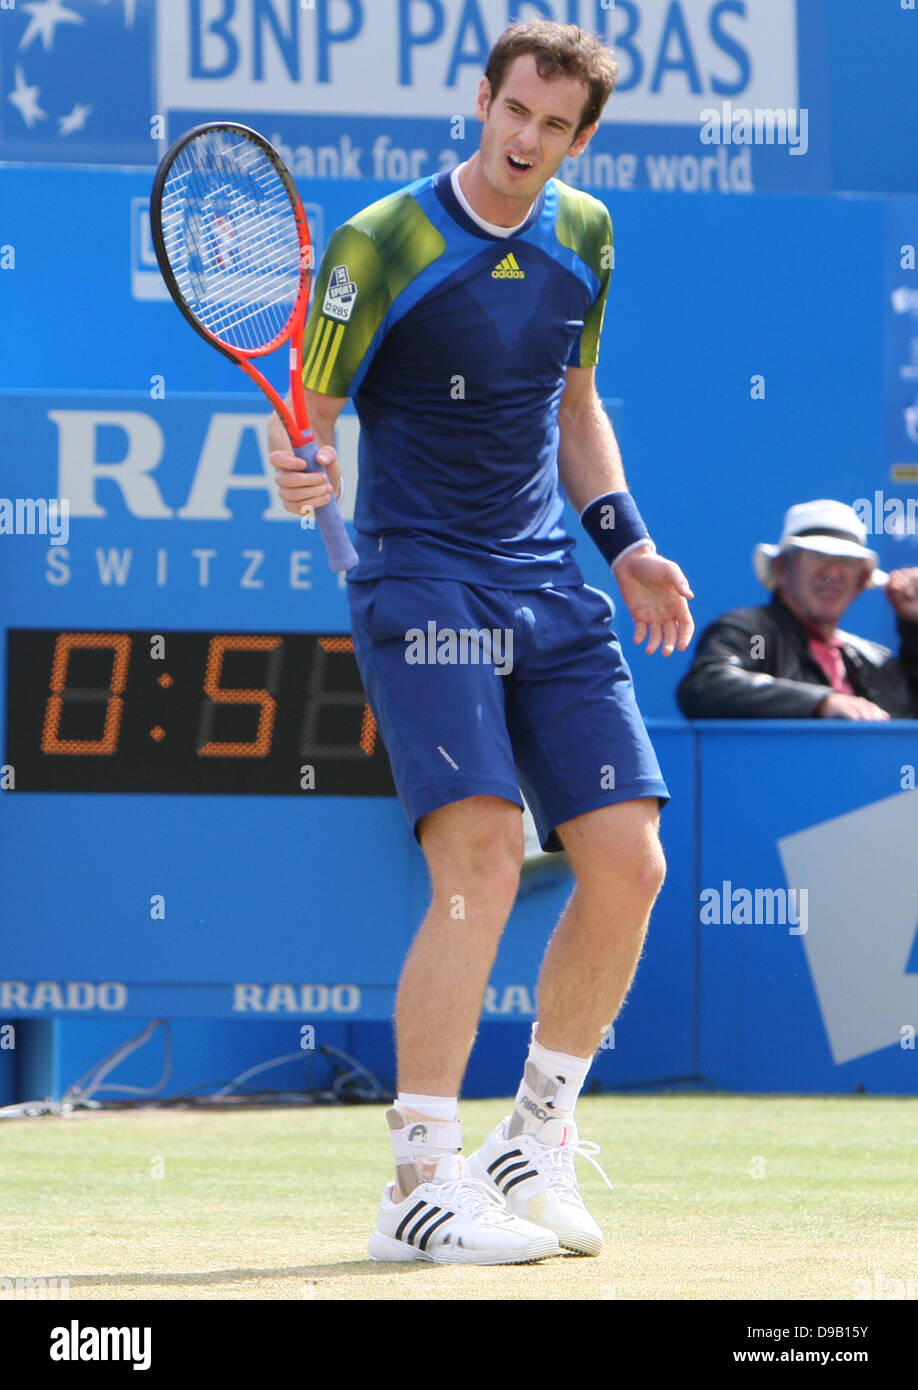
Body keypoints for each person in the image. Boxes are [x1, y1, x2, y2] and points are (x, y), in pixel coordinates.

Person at [270, 20, 694, 1265]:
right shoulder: (382, 239)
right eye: (515, 112)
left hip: (547, 581)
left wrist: (627, 545)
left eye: (557, 127)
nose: (528, 141)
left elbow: (576, 403)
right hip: (424, 579)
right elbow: (312, 415)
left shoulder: (588, 236)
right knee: (483, 856)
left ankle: (533, 1137)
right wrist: (298, 465)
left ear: (581, 137)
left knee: (631, 862)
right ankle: (417, 1178)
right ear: (482, 101)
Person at [676, 499, 918, 719]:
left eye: (846, 561)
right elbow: (709, 685)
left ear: (860, 580)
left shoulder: (875, 659)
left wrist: (915, 625)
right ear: (781, 568)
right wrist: (822, 701)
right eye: (816, 556)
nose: (832, 573)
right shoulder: (758, 635)